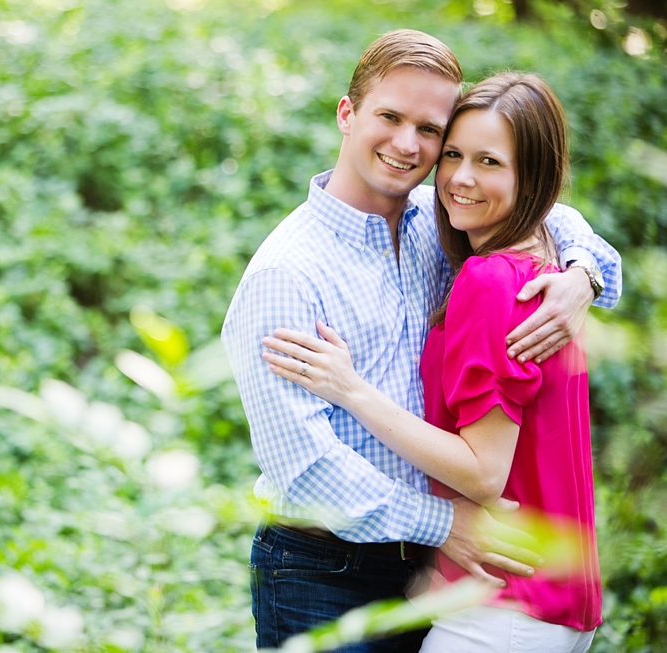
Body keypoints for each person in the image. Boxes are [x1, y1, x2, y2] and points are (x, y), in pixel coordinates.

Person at [220, 30, 621, 652]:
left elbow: (547, 210)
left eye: (430, 130)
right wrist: (444, 523)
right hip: (327, 571)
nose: (407, 144)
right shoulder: (288, 273)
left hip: (438, 569)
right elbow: (303, 471)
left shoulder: (443, 219)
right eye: (389, 117)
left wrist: (582, 274)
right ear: (347, 114)